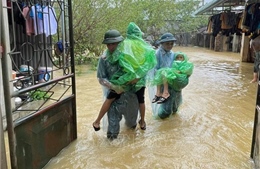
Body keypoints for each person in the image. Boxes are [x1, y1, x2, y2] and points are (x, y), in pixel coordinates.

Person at [94, 24, 156, 138]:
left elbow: (141, 71)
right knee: (112, 133)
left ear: (120, 43)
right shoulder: (104, 59)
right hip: (114, 98)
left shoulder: (130, 56)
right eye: (108, 44)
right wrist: (114, 87)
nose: (111, 47)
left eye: (114, 43)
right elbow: (101, 79)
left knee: (131, 129)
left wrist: (136, 79)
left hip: (131, 98)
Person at [150, 33, 176, 104]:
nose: (170, 46)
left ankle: (165, 93)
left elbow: (174, 65)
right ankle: (160, 93)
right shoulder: (157, 53)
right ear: (162, 44)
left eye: (171, 44)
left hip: (170, 78)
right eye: (167, 44)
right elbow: (155, 68)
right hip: (161, 79)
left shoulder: (173, 54)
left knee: (173, 102)